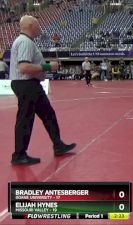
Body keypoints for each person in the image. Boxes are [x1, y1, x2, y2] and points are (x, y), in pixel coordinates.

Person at [9, 15, 76, 165]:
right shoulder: (25, 42)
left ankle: (58, 145)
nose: (40, 28)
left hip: (30, 85)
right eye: (38, 25)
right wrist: (48, 67)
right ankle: (19, 154)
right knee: (26, 119)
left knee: (48, 115)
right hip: (27, 84)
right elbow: (24, 67)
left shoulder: (27, 41)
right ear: (31, 25)